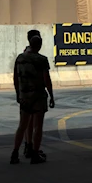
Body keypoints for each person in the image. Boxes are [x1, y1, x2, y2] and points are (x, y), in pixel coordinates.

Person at [11, 35, 55, 164]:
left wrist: (18, 93)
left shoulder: (20, 58)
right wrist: (51, 96)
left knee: (22, 126)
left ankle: (15, 153)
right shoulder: (41, 60)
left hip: (24, 96)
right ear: (40, 46)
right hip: (38, 97)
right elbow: (47, 80)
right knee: (38, 126)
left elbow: (15, 78)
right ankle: (35, 154)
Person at [21, 29, 46, 160]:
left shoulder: (23, 56)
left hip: (25, 94)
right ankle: (33, 148)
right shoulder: (37, 58)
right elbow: (45, 78)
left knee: (27, 123)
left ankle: (28, 145)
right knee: (36, 124)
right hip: (36, 94)